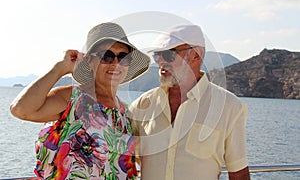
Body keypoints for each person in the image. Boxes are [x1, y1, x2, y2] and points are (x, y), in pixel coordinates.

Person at [10, 22, 150, 179]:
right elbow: (21, 109)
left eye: (123, 57)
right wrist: (60, 68)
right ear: (90, 61)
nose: (115, 63)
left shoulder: (126, 114)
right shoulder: (72, 98)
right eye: (107, 56)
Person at [130, 24, 250, 179]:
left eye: (168, 54)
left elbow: (239, 174)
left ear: (195, 55)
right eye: (157, 55)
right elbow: (121, 156)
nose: (160, 61)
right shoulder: (141, 105)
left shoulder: (230, 107)